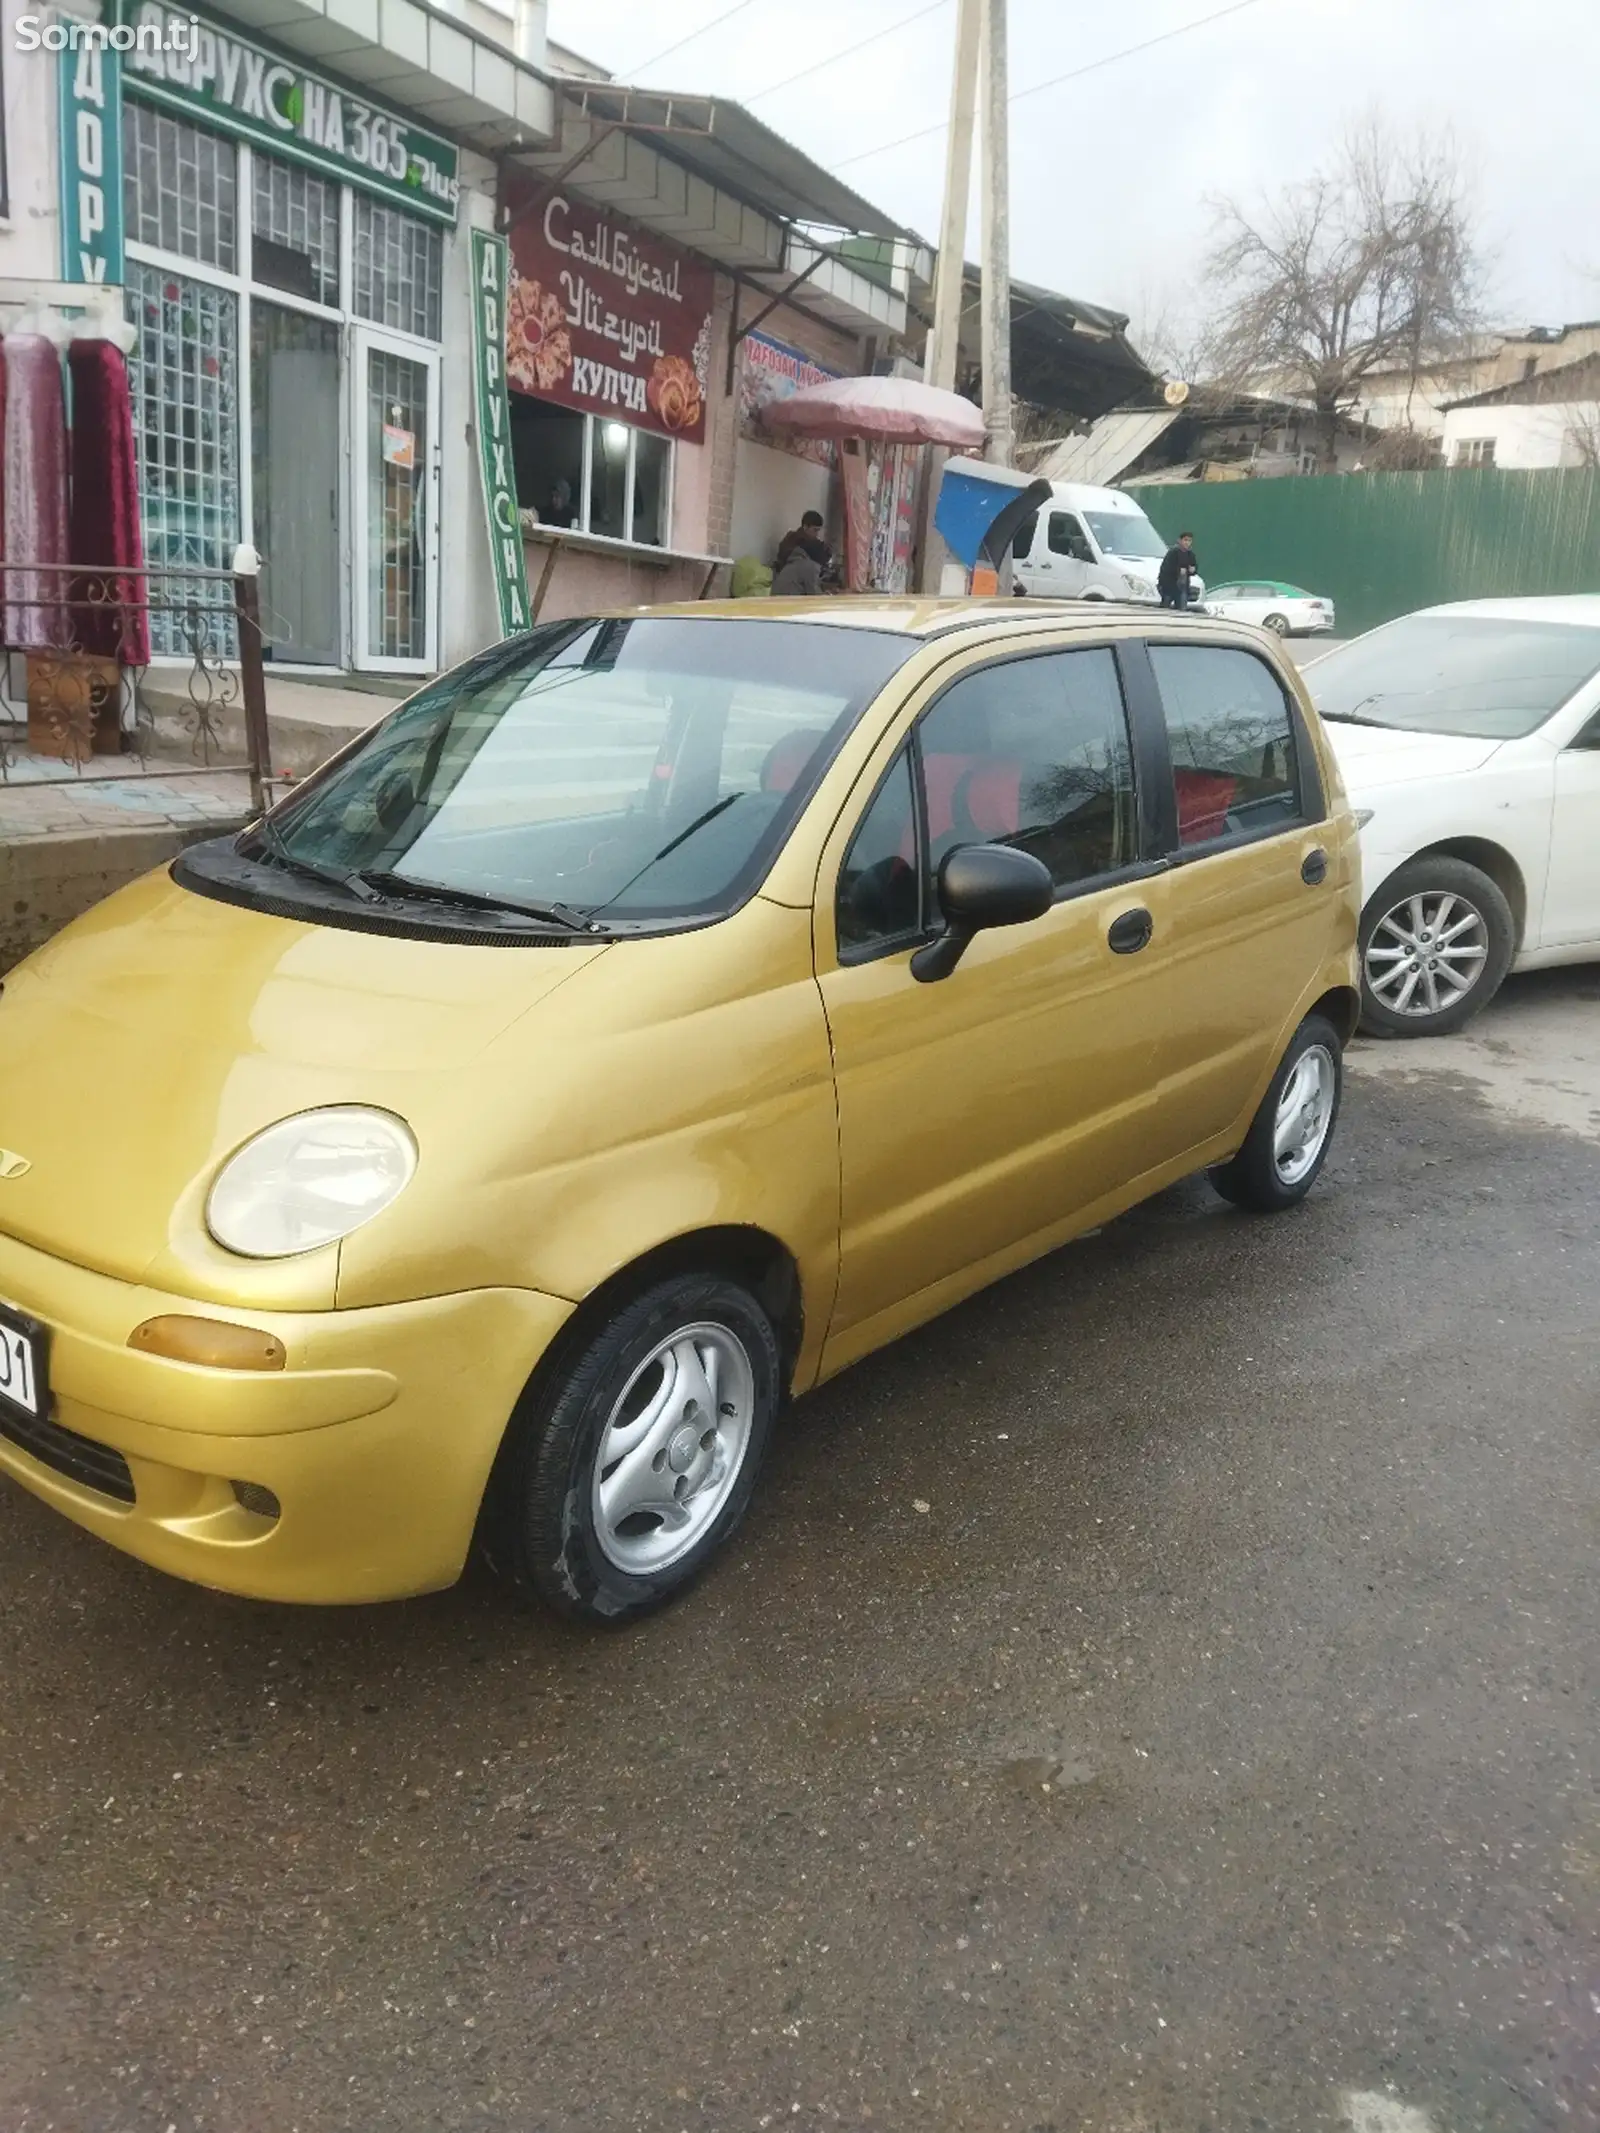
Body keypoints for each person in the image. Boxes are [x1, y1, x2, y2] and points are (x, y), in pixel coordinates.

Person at [775, 510, 831, 575]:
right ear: (805, 527)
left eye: (818, 530)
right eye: (815, 530)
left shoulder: (811, 541)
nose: (817, 534)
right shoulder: (795, 541)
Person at [1158, 530, 1198, 609]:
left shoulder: (1191, 554)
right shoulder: (1173, 552)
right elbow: (1166, 568)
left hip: (1183, 586)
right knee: (1165, 608)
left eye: (1189, 540)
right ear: (1180, 540)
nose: (1187, 543)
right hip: (1169, 585)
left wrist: (1193, 570)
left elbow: (1194, 567)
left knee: (1181, 609)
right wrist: (1179, 570)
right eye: (1185, 540)